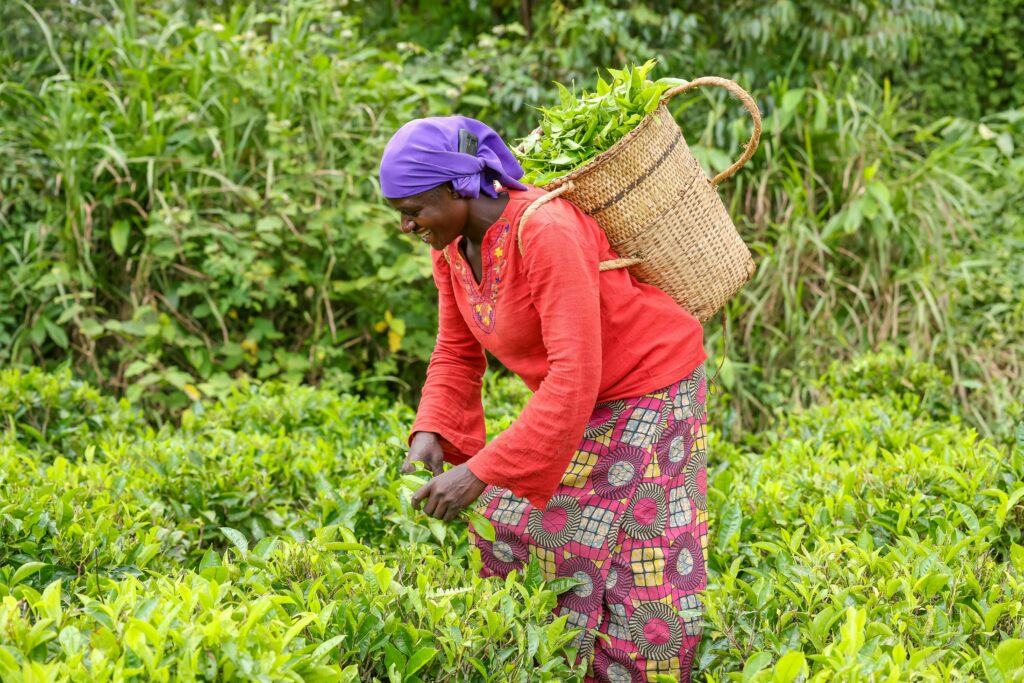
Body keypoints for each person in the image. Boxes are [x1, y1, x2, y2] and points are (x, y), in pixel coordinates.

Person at [379, 115, 709, 683]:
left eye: (414, 210)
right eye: (399, 214)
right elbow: (455, 349)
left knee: (640, 556)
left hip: (652, 383)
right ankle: (564, 668)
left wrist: (479, 471)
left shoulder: (545, 229)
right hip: (588, 393)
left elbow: (573, 374)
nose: (406, 226)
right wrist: (429, 430)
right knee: (510, 527)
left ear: (458, 187)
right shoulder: (451, 248)